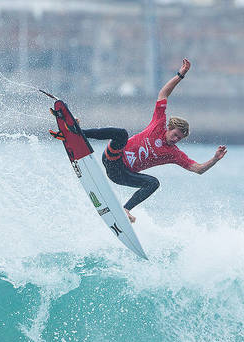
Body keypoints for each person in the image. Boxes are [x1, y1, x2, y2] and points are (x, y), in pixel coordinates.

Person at [82, 58, 227, 223]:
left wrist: (215, 159)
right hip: (113, 158)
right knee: (122, 133)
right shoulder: (158, 123)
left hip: (122, 175)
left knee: (153, 183)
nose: (176, 140)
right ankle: (80, 133)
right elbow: (163, 94)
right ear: (169, 127)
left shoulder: (174, 154)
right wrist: (181, 75)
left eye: (180, 139)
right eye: (175, 135)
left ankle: (126, 209)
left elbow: (198, 169)